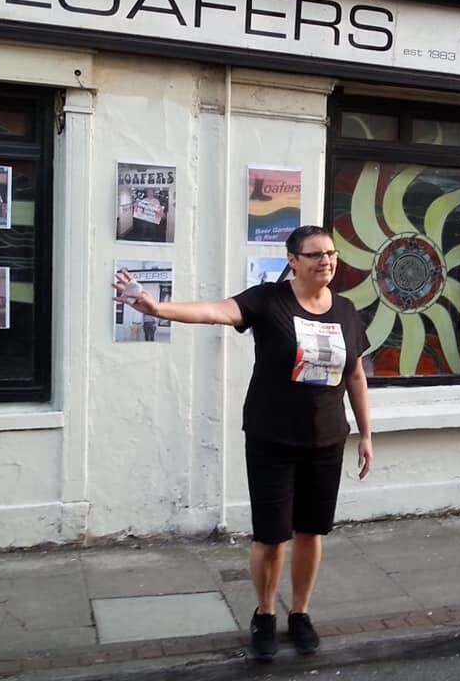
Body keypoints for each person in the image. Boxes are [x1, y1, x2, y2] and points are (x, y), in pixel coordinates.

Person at [113, 225, 373, 661]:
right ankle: (266, 614)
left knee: (311, 531)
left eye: (330, 253)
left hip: (327, 439)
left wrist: (366, 433)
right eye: (315, 255)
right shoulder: (268, 301)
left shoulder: (345, 310)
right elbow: (215, 311)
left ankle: (301, 613)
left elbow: (355, 375)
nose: (326, 261)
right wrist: (158, 307)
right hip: (272, 436)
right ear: (292, 260)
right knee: (272, 537)